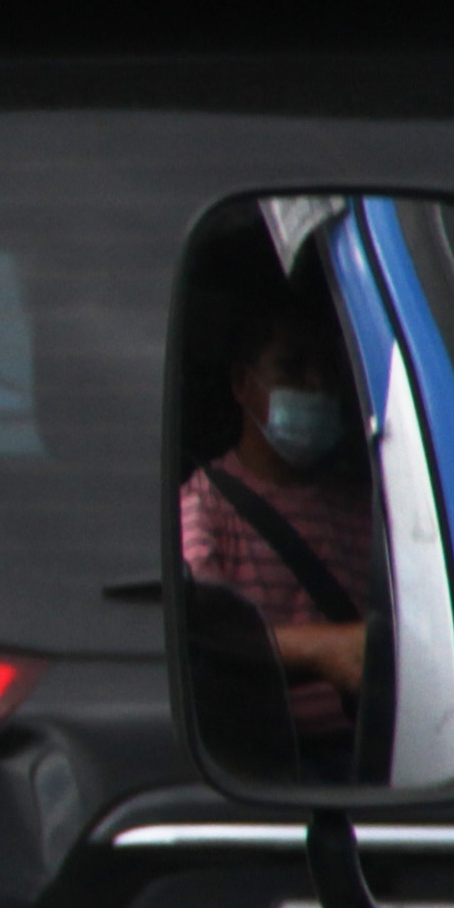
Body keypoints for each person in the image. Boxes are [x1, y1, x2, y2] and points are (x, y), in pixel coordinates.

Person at [179, 277, 381, 761]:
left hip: (365, 754)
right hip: (267, 765)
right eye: (292, 367)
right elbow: (199, 635)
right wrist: (318, 650)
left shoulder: (362, 512)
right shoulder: (204, 504)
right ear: (243, 384)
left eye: (327, 369)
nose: (316, 384)